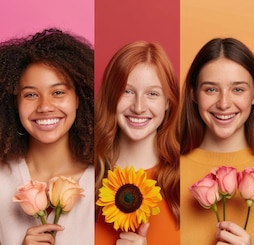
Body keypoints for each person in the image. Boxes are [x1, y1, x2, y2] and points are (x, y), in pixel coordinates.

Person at [0, 28, 94, 244]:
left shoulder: (104, 183)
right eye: (31, 95)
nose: (44, 106)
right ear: (15, 104)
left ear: (79, 99)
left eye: (58, 92)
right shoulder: (2, 180)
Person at [179, 37, 254, 245]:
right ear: (193, 93)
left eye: (238, 89)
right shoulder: (169, 170)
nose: (224, 103)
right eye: (211, 89)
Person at [94, 41, 180, 244]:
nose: (139, 107)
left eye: (152, 94)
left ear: (168, 102)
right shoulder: (86, 175)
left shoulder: (185, 181)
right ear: (110, 96)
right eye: (127, 91)